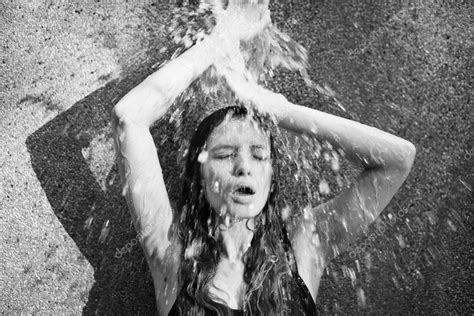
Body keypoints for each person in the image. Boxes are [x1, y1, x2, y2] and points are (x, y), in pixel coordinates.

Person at [111, 2, 416, 315]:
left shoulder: (303, 246)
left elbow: (397, 160)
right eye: (225, 154)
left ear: (272, 177)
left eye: (259, 156)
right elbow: (129, 117)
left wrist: (279, 110)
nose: (244, 167)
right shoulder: (173, 254)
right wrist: (219, 41)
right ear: (199, 176)